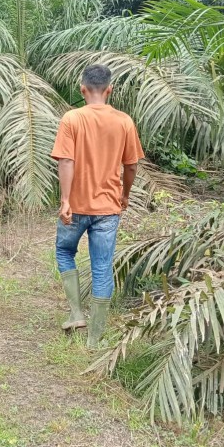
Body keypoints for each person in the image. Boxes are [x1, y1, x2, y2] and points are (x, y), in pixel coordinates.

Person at [51, 64, 144, 348]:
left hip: (76, 206)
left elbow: (66, 160)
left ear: (82, 89)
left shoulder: (72, 119)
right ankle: (94, 338)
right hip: (108, 209)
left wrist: (66, 200)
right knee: (102, 267)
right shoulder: (124, 121)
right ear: (109, 90)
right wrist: (125, 194)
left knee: (64, 251)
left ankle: (77, 313)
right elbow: (131, 165)